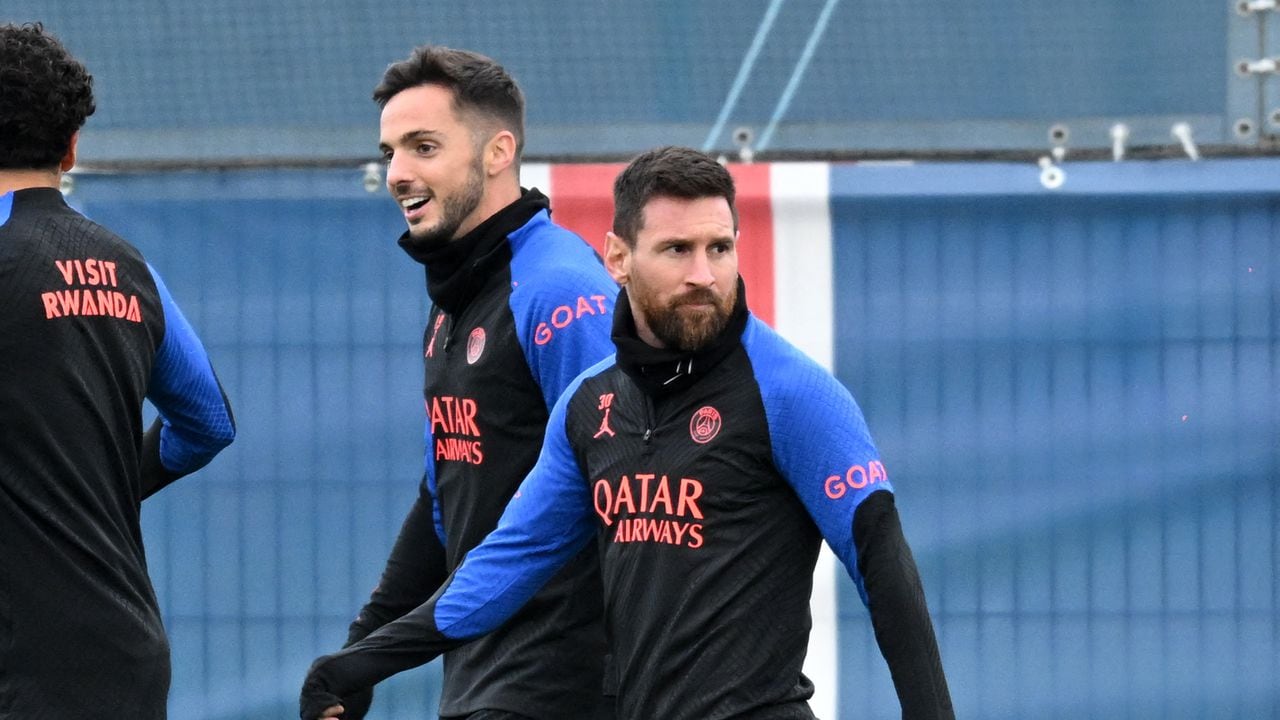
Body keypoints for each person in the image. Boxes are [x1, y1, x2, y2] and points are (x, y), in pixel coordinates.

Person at [302, 145, 954, 719]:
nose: (703, 274)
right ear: (618, 257)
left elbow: (884, 566)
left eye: (719, 248)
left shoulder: (791, 392)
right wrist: (361, 661)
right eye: (677, 250)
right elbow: (500, 570)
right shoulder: (589, 407)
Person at [306, 46, 619, 720]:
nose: (398, 173)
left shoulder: (561, 291)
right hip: (483, 676)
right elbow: (445, 497)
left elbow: (624, 492)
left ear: (497, 151)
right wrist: (361, 655)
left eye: (423, 147)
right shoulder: (455, 301)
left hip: (570, 687)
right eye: (390, 151)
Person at [0, 22, 236, 719]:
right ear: (71, 148)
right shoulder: (127, 265)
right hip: (129, 655)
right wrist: (90, 486)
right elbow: (207, 423)